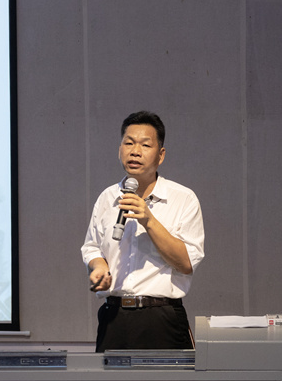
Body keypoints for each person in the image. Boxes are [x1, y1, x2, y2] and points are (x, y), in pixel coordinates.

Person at [81, 111, 204, 351]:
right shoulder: (107, 198)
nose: (135, 151)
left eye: (145, 145)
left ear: (161, 155)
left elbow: (186, 263)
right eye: (129, 143)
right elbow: (92, 247)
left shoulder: (183, 199)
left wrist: (149, 220)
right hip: (113, 317)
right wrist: (99, 267)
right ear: (119, 150)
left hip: (161, 318)